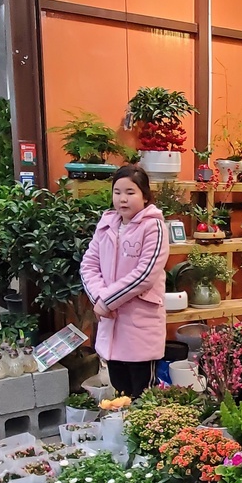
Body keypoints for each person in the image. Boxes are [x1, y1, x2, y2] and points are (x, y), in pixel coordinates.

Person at [80, 164, 169, 398]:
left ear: (145, 196)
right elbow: (88, 265)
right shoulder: (107, 224)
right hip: (111, 325)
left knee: (143, 395)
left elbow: (145, 274)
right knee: (119, 393)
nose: (123, 199)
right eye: (117, 192)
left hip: (140, 325)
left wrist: (107, 302)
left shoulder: (154, 227)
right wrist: (99, 298)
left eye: (130, 192)